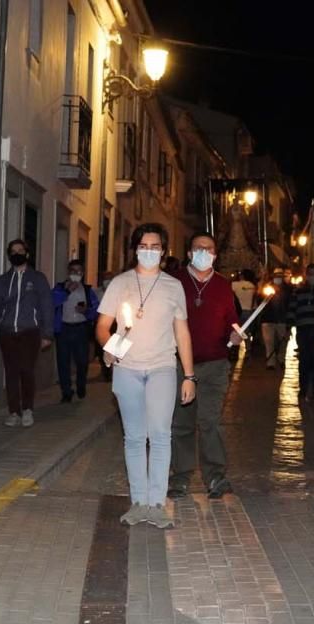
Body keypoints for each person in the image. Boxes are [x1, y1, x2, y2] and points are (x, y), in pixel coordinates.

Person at [96, 223, 195, 529]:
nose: (149, 251)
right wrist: (109, 347)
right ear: (135, 248)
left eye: (155, 246)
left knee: (161, 435)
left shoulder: (173, 286)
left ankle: (156, 504)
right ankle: (139, 502)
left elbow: (182, 332)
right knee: (135, 438)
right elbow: (103, 326)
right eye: (144, 245)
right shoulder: (120, 283)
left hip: (162, 368)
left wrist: (189, 375)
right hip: (127, 369)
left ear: (163, 251)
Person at [167, 232, 240, 500]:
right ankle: (181, 477)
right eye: (198, 248)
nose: (203, 252)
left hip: (215, 365)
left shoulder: (223, 285)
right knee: (182, 423)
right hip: (179, 365)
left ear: (215, 254)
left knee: (210, 422)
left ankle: (216, 478)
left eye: (208, 248)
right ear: (189, 252)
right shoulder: (174, 282)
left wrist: (235, 333)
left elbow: (232, 318)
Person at [0, 240, 53, 427]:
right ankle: (14, 411)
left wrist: (47, 334)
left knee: (27, 370)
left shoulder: (38, 279)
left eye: (20, 250)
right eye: (13, 251)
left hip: (30, 331)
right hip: (7, 333)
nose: (17, 254)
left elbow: (47, 306)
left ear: (27, 254)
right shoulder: (3, 282)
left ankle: (28, 409)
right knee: (11, 372)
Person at [52, 259, 99, 403]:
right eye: (73, 271)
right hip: (64, 329)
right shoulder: (60, 288)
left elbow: (96, 310)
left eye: (79, 271)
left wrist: (86, 311)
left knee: (82, 361)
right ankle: (66, 392)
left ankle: (81, 384)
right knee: (63, 362)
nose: (76, 274)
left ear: (83, 273)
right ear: (68, 272)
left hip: (81, 329)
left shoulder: (87, 290)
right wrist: (66, 291)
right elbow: (52, 302)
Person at [291, 263, 314, 400]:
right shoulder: (299, 291)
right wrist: (289, 326)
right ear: (306, 275)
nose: (312, 277)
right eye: (310, 274)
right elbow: (292, 309)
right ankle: (303, 389)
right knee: (304, 361)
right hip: (303, 331)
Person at [259, 268, 291, 369]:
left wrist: (290, 320)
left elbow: (291, 303)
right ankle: (271, 363)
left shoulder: (288, 288)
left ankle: (281, 359)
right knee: (269, 342)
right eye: (276, 276)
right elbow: (260, 301)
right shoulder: (267, 287)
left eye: (280, 277)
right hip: (268, 319)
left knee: (283, 341)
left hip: (282, 319)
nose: (278, 278)